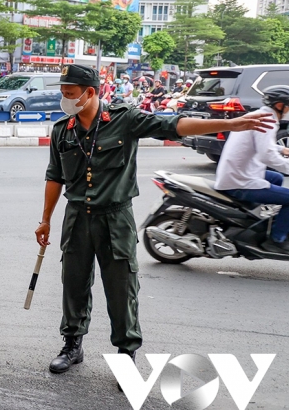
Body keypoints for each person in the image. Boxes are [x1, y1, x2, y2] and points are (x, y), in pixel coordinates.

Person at [35, 65, 274, 380]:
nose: (64, 99)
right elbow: (55, 176)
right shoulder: (62, 130)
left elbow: (175, 125)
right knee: (74, 283)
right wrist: (45, 220)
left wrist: (230, 123)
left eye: (69, 93)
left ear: (89, 92)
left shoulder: (125, 119)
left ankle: (126, 353)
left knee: (121, 287)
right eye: (63, 93)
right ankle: (72, 345)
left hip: (115, 217)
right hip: (77, 217)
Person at [215, 86, 289, 254]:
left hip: (238, 172)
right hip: (239, 181)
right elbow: (267, 156)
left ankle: (258, 219)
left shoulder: (260, 115)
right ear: (280, 105)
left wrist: (282, 150)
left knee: (277, 179)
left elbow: (263, 145)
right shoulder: (267, 120)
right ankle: (276, 240)